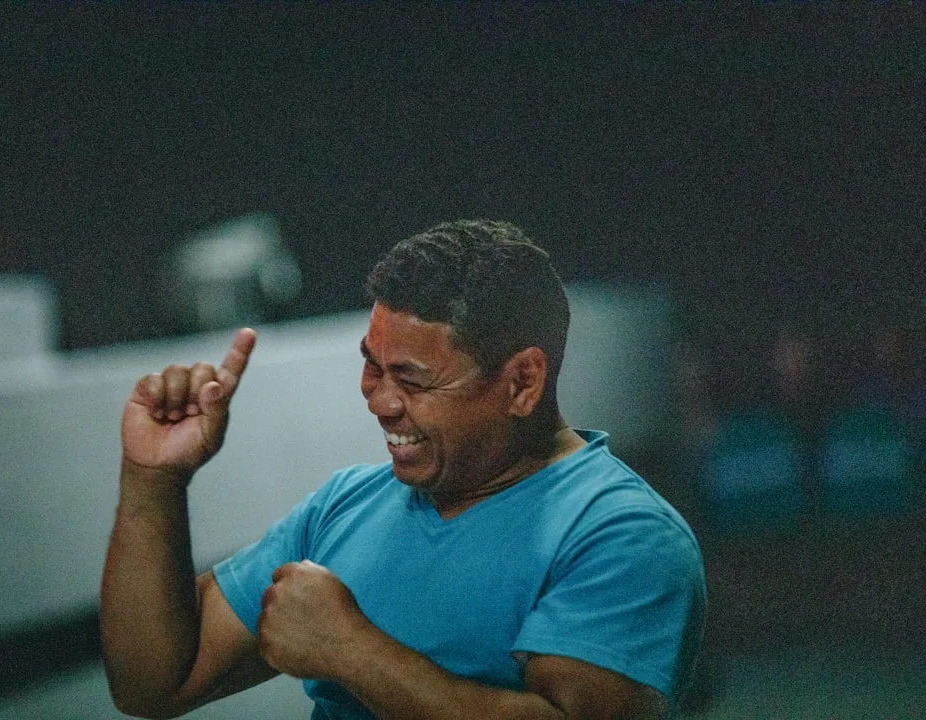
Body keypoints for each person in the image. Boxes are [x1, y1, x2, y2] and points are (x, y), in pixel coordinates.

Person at [101, 220, 707, 720]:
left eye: (413, 380)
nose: (381, 402)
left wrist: (352, 650)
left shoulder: (621, 534)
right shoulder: (345, 505)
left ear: (522, 382)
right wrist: (153, 480)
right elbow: (154, 685)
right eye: (373, 367)